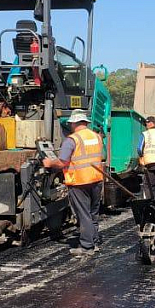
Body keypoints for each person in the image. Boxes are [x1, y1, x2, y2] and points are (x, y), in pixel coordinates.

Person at [43, 110, 104, 256]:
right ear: (85, 123)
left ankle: (87, 247)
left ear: (74, 123)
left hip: (79, 182)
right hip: (96, 179)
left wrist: (49, 162)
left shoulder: (72, 140)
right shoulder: (96, 136)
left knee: (84, 215)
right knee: (93, 214)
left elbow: (61, 162)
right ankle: (94, 242)